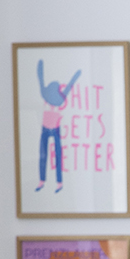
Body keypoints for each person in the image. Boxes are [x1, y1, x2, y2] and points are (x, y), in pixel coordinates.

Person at [34, 60, 81, 193]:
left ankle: (59, 182)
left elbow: (69, 85)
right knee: (43, 155)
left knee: (58, 155)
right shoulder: (50, 96)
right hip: (45, 128)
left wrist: (76, 76)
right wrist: (40, 67)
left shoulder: (56, 97)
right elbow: (40, 79)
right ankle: (42, 180)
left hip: (55, 128)